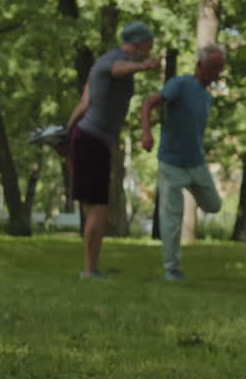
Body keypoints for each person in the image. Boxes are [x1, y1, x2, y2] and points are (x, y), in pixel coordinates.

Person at [65, 21, 162, 280]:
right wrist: (144, 66)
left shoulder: (105, 61)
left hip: (89, 138)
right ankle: (89, 270)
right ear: (139, 44)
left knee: (94, 206)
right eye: (149, 45)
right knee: (99, 207)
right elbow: (118, 70)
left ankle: (91, 267)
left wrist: (67, 133)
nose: (151, 49)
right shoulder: (114, 59)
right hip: (91, 138)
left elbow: (85, 102)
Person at [138, 44, 226, 282]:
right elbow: (148, 103)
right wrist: (146, 133)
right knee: (172, 218)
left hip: (196, 163)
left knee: (214, 205)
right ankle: (172, 269)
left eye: (220, 68)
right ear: (200, 65)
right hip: (171, 163)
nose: (218, 72)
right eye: (214, 67)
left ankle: (190, 186)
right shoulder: (180, 84)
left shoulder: (207, 98)